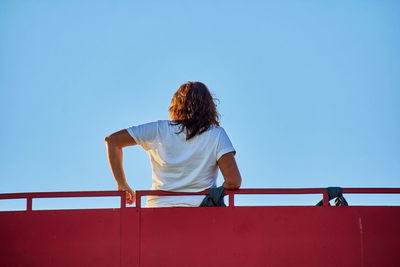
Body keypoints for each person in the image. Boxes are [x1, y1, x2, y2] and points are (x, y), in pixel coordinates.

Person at [105, 81, 241, 207]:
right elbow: (233, 181)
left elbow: (113, 141)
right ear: (209, 107)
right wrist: (214, 195)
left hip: (157, 210)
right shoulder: (216, 134)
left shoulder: (158, 129)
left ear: (176, 105)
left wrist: (122, 183)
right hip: (201, 213)